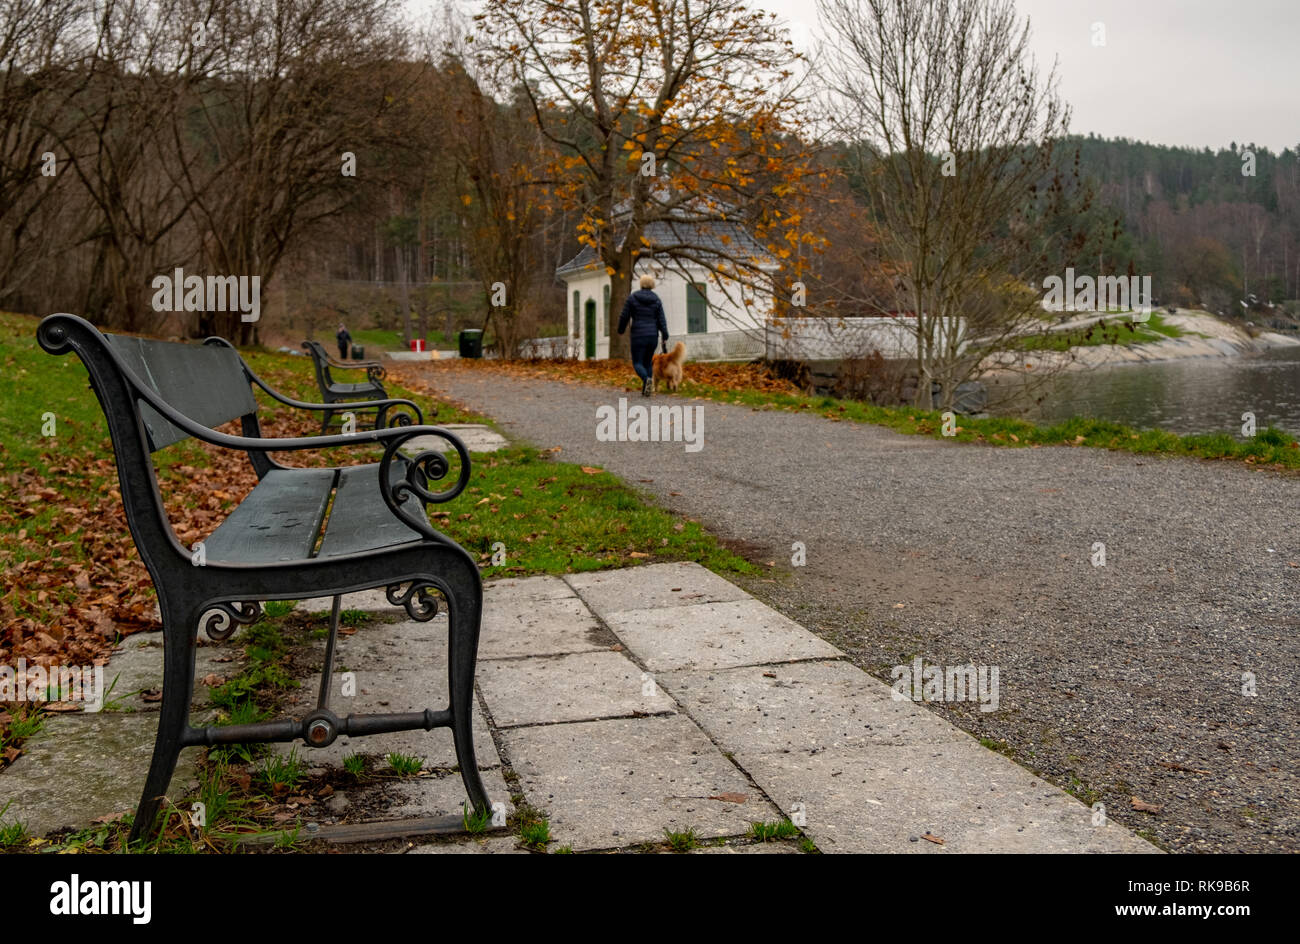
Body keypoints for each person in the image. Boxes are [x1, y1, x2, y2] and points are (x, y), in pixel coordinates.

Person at [617, 274, 669, 396]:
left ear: (641, 284)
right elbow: (662, 319)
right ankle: (647, 389)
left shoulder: (633, 298)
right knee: (647, 362)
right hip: (652, 336)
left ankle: (646, 380)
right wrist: (665, 335)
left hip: (638, 336)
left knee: (637, 363)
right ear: (652, 285)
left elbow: (624, 316)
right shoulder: (656, 300)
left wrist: (620, 329)